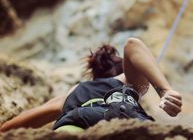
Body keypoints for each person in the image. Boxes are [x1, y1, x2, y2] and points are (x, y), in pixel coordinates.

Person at [0, 37, 183, 133]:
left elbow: (17, 124)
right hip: (119, 117)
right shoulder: (126, 80)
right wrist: (164, 90)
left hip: (74, 122)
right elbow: (132, 45)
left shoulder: (72, 92)